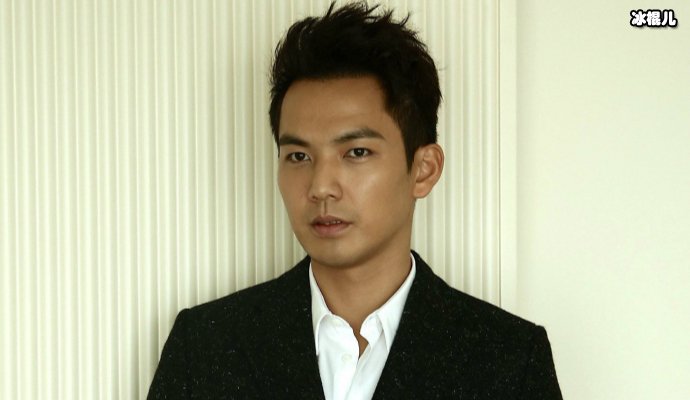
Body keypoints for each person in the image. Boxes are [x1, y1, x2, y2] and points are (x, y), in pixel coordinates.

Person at [148, 2, 562, 399]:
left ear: (424, 169)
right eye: (298, 156)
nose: (320, 187)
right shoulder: (203, 347)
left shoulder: (509, 360)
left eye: (356, 152)